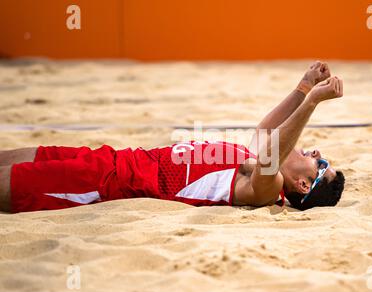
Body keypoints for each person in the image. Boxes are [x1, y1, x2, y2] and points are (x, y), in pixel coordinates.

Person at [0, 61, 345, 213]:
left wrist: (312, 102)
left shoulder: (266, 190)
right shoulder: (252, 160)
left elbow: (271, 153)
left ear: (303, 186)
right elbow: (265, 133)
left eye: (320, 162)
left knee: (12, 181)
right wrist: (303, 87)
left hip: (108, 185)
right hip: (116, 158)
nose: (314, 151)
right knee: (17, 158)